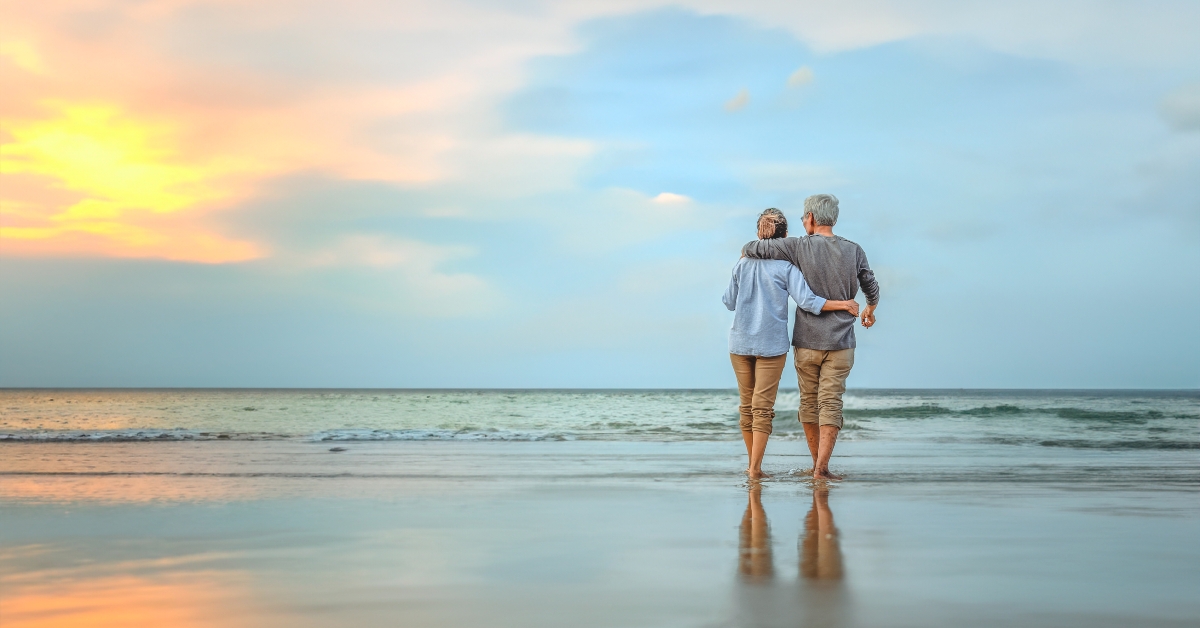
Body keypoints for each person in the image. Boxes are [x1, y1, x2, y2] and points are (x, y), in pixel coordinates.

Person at [741, 194, 880, 480]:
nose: (804, 221)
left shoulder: (797, 246)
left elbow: (752, 248)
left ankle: (816, 463)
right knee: (831, 403)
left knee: (809, 403)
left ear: (812, 218)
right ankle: (821, 469)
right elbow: (871, 284)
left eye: (805, 217)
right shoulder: (854, 250)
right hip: (842, 342)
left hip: (806, 341)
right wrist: (870, 309)